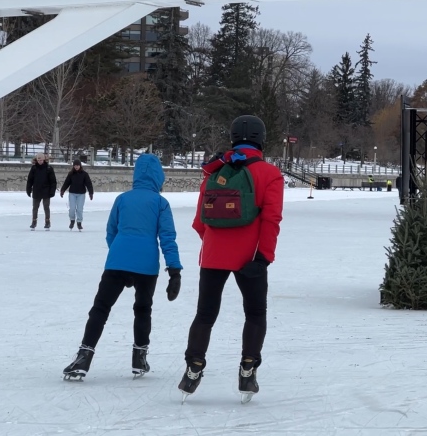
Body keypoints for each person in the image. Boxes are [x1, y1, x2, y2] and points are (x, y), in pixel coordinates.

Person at [178, 115, 284, 402]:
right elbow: (272, 219)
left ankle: (193, 366)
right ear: (262, 138)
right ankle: (248, 369)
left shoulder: (216, 171)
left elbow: (201, 220)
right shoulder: (270, 174)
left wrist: (214, 244)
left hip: (213, 255)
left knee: (205, 314)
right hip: (251, 257)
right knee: (255, 313)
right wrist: (263, 257)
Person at [62, 153, 183, 380]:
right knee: (143, 309)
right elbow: (168, 238)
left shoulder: (123, 199)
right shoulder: (160, 203)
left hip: (117, 261)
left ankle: (83, 357)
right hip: (147, 266)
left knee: (100, 308)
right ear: (159, 177)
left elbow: (111, 232)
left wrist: (120, 256)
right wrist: (174, 271)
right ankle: (139, 359)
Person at [26, 153, 58, 230]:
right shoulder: (34, 168)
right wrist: (28, 189)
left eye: (41, 159)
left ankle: (47, 222)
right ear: (36, 160)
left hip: (46, 191)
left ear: (44, 159)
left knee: (46, 207)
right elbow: (30, 180)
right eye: (38, 159)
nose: (40, 161)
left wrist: (52, 191)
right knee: (35, 208)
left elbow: (53, 181)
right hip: (36, 190)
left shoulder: (49, 168)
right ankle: (34, 222)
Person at [60, 159, 94, 231]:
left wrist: (91, 192)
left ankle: (79, 222)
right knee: (72, 209)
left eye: (78, 165)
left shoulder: (84, 174)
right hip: (72, 193)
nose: (76, 167)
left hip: (81, 194)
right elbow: (67, 182)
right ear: (73, 166)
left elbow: (88, 184)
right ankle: (72, 221)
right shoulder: (71, 174)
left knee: (79, 209)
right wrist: (62, 190)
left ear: (80, 166)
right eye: (75, 165)